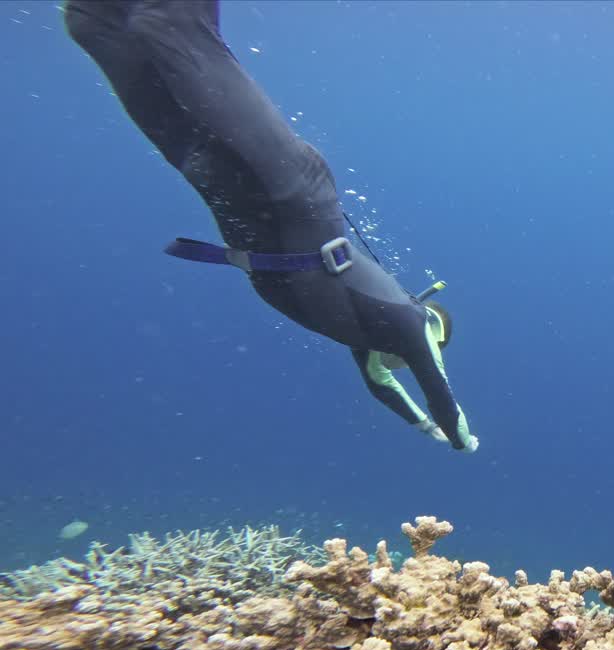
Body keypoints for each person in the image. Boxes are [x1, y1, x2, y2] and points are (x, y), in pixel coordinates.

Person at [64, 0, 478, 452]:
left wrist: (422, 427)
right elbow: (438, 388)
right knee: (178, 32)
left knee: (152, 91)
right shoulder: (411, 322)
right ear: (435, 327)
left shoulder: (366, 337)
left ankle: (101, 21)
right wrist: (461, 439)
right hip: (299, 194)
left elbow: (382, 387)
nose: (398, 366)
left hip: (249, 213)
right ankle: (164, 16)